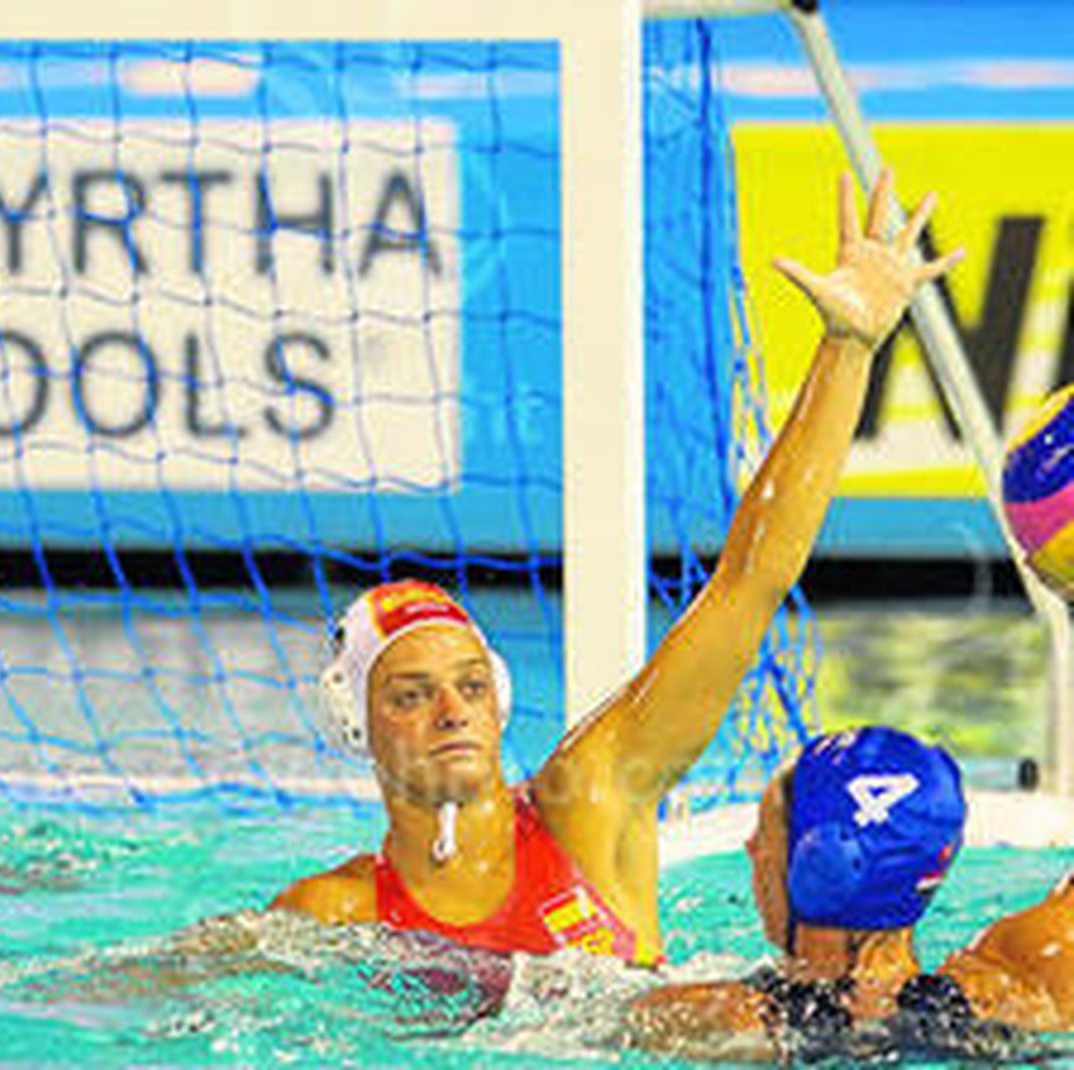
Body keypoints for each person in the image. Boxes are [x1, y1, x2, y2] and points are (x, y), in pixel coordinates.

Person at [270, 171, 963, 966]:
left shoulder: (592, 803)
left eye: (469, 685)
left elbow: (748, 583)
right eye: (410, 695)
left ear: (501, 700)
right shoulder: (336, 911)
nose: (452, 712)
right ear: (354, 720)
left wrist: (849, 349)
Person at [629, 726, 1073, 1062]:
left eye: (765, 834)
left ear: (822, 869)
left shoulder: (716, 1018)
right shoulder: (1027, 985)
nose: (751, 848)